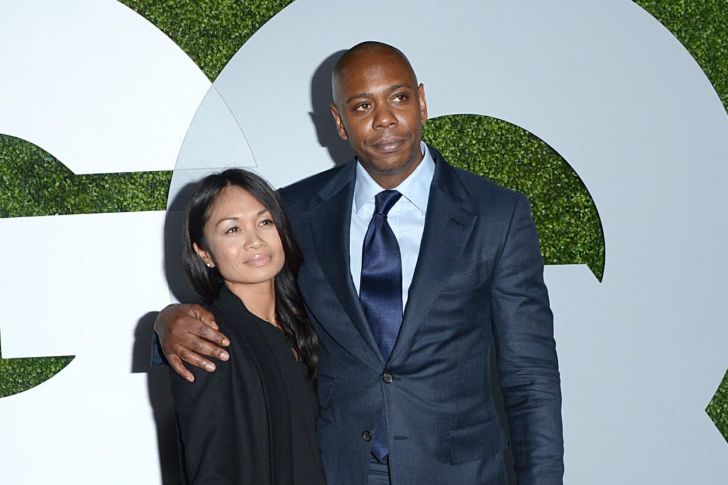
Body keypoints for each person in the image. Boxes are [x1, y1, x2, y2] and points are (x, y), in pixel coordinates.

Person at [156, 41, 564, 484]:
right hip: (338, 470)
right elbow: (253, 310)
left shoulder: (496, 214)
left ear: (422, 103)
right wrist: (167, 324)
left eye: (399, 97)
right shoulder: (296, 211)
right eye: (362, 105)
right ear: (339, 122)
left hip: (463, 473)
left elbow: (530, 377)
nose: (384, 118)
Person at [168, 168, 326, 484]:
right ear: (204, 253)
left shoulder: (308, 321)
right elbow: (211, 472)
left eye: (265, 222)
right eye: (232, 229)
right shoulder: (206, 341)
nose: (255, 241)